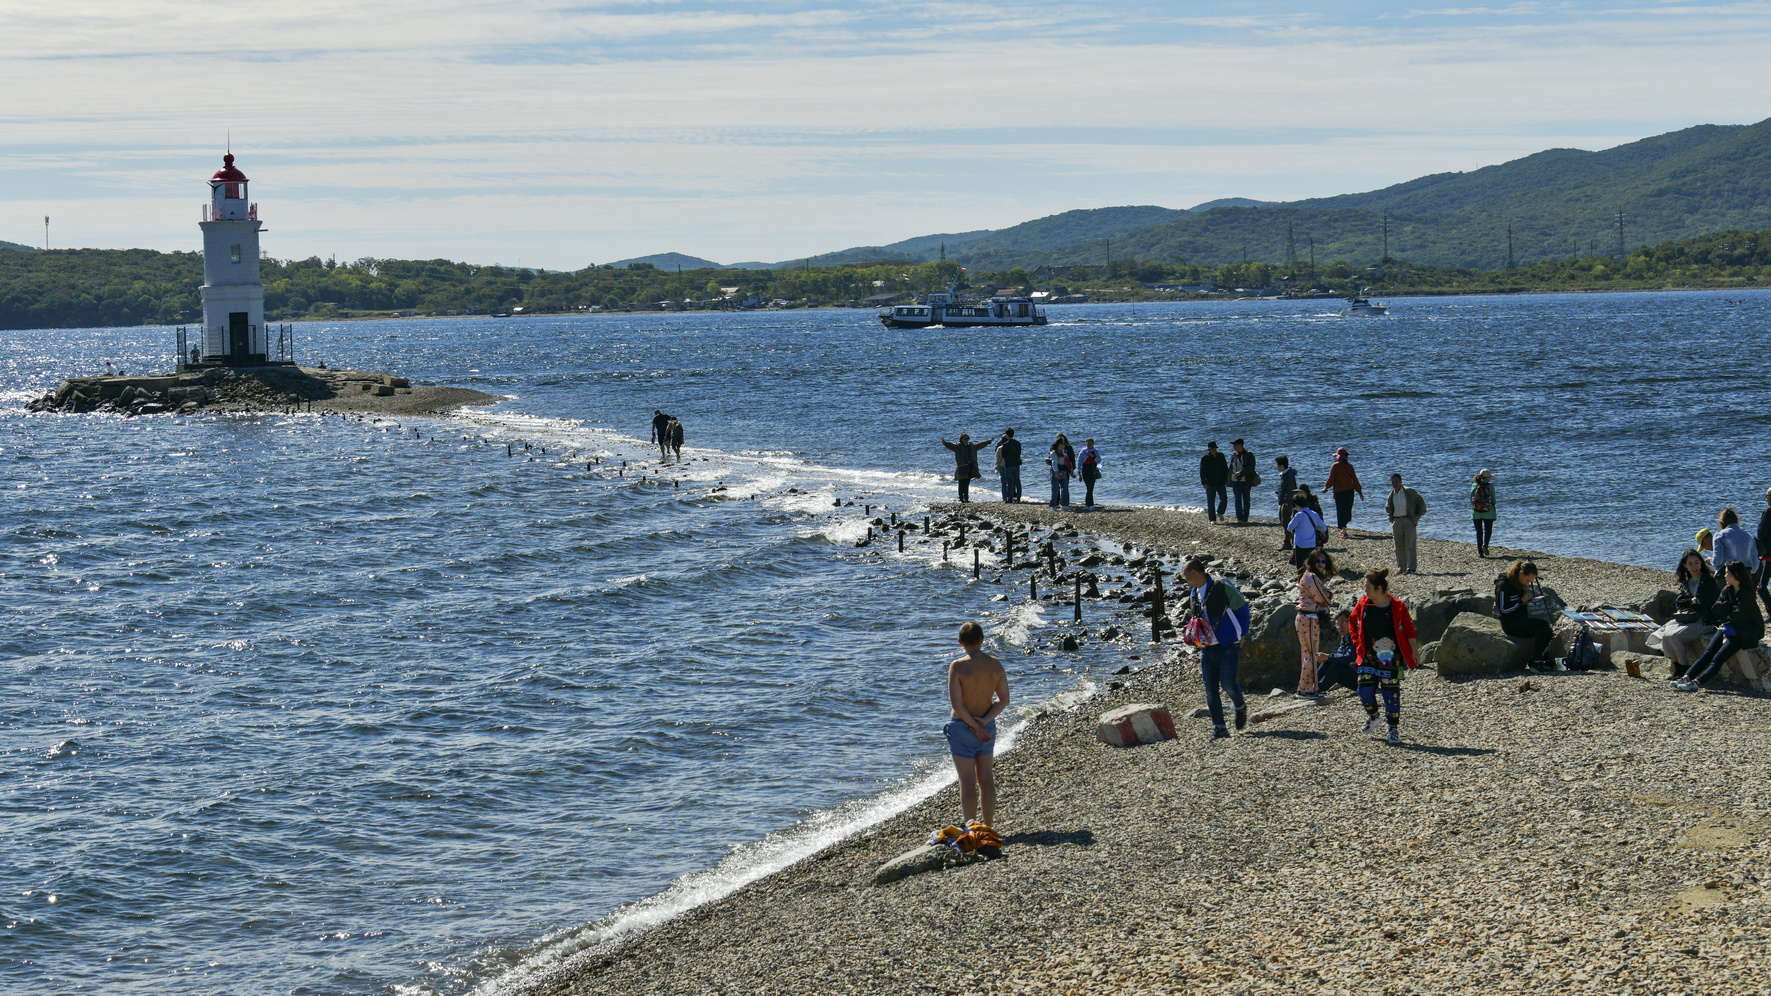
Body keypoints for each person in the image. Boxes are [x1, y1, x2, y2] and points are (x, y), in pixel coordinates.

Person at [1347, 568, 1421, 745]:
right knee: (1363, 690)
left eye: (1368, 587)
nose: (1365, 590)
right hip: (1367, 657)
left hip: (1391, 659)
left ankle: (1393, 729)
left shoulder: (1397, 606)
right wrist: (1357, 643)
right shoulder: (1363, 603)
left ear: (1379, 588)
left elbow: (1409, 629)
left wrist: (1415, 650)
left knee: (1391, 695)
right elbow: (1352, 621)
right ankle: (1373, 716)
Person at [945, 621, 1009, 825]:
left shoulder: (957, 666)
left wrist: (974, 726)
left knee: (967, 781)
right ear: (982, 640)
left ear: (960, 642)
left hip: (962, 728)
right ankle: (988, 826)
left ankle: (971, 826)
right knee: (986, 778)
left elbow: (957, 703)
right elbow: (1004, 699)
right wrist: (984, 723)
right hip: (986, 726)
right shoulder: (995, 664)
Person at [1182, 557, 1251, 740]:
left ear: (1195, 573)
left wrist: (1243, 633)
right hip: (1206, 648)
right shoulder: (1193, 593)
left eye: (1186, 576)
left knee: (1228, 684)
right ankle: (1220, 728)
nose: (1185, 579)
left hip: (1228, 645)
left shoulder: (1222, 587)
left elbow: (1242, 609)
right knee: (1210, 689)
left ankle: (1240, 706)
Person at [1673, 561, 1766, 693]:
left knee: (1718, 658)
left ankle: (1696, 683)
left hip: (1745, 633)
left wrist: (1725, 610)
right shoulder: (1727, 590)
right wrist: (1727, 609)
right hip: (1728, 628)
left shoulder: (1746, 595)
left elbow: (1737, 616)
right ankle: (1686, 677)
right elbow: (1716, 609)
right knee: (1707, 654)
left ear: (1736, 575)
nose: (1725, 575)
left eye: (1728, 573)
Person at [1649, 549, 1721, 676]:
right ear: (1685, 566)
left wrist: (1691, 601)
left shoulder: (1708, 581)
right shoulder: (1687, 583)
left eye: (1696, 563)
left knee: (1676, 636)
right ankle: (1676, 665)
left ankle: (1684, 667)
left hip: (1705, 620)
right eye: (1690, 564)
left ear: (1701, 563)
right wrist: (1691, 600)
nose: (1694, 566)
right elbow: (1679, 603)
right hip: (1689, 617)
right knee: (1665, 635)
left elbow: (1702, 603)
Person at [1294, 549, 1337, 700]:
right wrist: (1328, 599)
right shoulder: (1311, 577)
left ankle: (1310, 687)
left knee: (1309, 653)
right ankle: (1306, 689)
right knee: (1310, 654)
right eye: (1318, 561)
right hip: (1308, 618)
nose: (1321, 564)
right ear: (1312, 562)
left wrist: (1327, 595)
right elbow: (1323, 597)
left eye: (1323, 561)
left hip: (1308, 618)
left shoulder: (1310, 577)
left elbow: (1324, 593)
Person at [1495, 559, 1553, 666]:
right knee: (1542, 626)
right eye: (1527, 580)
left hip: (1520, 619)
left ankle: (1537, 658)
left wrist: (1527, 601)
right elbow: (1503, 610)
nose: (1528, 583)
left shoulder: (1518, 583)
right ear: (1521, 573)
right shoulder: (1504, 584)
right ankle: (1537, 662)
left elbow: (1517, 603)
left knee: (1548, 631)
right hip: (1510, 623)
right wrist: (1521, 601)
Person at [1386, 473, 1427, 575]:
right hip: (1397, 521)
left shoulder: (1409, 492)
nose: (1395, 484)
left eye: (1396, 481)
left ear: (1401, 481)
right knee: (1398, 546)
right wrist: (1392, 520)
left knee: (1410, 546)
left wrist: (1416, 517)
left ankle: (1411, 568)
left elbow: (1421, 503)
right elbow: (1388, 507)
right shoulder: (1392, 494)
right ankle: (1401, 568)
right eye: (1393, 482)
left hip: (1409, 521)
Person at [1314, 609, 1359, 695]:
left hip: (1365, 680)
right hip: (1354, 676)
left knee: (1335, 666)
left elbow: (1350, 658)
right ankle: (1311, 684)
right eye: (1337, 624)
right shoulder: (1345, 638)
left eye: (1343, 623)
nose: (1339, 627)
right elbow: (1339, 655)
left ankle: (1319, 688)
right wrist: (1326, 658)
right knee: (1329, 661)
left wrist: (1328, 656)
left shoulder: (1357, 637)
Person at [941, 432, 994, 504]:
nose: (967, 440)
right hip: (962, 466)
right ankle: (961, 498)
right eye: (965, 439)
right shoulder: (958, 447)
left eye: (968, 438)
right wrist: (945, 443)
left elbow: (980, 445)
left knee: (967, 483)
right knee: (961, 482)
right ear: (961, 439)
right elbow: (951, 446)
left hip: (970, 466)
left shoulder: (971, 446)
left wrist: (989, 441)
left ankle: (966, 498)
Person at [1323, 446, 1363, 539]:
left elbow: (1331, 480)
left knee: (1341, 511)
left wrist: (1326, 488)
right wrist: (1359, 491)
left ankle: (1344, 531)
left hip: (1339, 492)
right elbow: (1355, 480)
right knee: (1347, 511)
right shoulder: (1350, 467)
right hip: (1350, 492)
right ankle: (1344, 528)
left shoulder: (1335, 466)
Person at [1286, 490, 1328, 568]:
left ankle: (1301, 579)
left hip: (1300, 544)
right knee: (1311, 567)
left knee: (1300, 567)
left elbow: (1289, 527)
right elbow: (1323, 527)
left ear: (1296, 505)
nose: (1295, 509)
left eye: (1294, 507)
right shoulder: (1314, 514)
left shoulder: (1299, 515)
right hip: (1311, 544)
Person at [1714, 507, 1757, 579]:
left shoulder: (1719, 535)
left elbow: (1718, 561)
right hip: (1745, 574)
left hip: (1726, 574)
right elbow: (1755, 564)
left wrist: (1711, 560)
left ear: (1721, 522)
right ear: (1737, 520)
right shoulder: (1749, 536)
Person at [1229, 438, 1258, 524]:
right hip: (1235, 481)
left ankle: (1245, 518)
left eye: (1235, 444)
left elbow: (1251, 468)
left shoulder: (1249, 454)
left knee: (1246, 499)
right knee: (1237, 499)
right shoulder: (1233, 455)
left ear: (1240, 445)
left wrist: (1241, 472)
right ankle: (1239, 518)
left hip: (1246, 481)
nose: (1234, 446)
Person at [1199, 442, 1229, 523]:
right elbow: (1202, 471)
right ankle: (1212, 519)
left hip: (1221, 482)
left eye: (1214, 448)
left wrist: (1227, 479)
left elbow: (1225, 468)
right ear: (1209, 449)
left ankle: (1220, 512)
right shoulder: (1205, 458)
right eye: (1212, 448)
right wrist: (1204, 482)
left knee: (1224, 499)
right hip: (1210, 483)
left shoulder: (1221, 456)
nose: (1213, 450)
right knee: (1211, 502)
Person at [1470, 469, 1497, 558]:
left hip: (1476, 513)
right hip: (1489, 512)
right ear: (1488, 478)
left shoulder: (1475, 485)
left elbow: (1471, 499)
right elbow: (1494, 500)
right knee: (1488, 530)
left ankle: (1480, 553)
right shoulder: (1490, 486)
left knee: (1479, 532)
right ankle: (1485, 545)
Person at [1275, 456, 1298, 550]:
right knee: (1284, 522)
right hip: (1284, 501)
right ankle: (1289, 542)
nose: (1276, 467)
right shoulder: (1285, 474)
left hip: (1286, 502)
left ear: (1282, 465)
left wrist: (1287, 501)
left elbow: (1291, 490)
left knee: (1286, 522)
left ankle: (1288, 543)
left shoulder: (1288, 475)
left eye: (1277, 465)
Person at [1047, 433, 1074, 509]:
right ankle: (1053, 505)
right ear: (1059, 444)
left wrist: (1071, 470)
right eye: (1063, 444)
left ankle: (1065, 505)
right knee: (1055, 490)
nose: (1064, 445)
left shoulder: (1063, 452)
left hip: (1064, 472)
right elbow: (1054, 463)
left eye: (1065, 444)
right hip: (1056, 472)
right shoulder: (1054, 453)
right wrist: (1056, 472)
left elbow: (1068, 462)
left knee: (1065, 489)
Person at [995, 429, 1022, 504]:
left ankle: (1010, 497)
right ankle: (1018, 496)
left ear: (1007, 435)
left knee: (1010, 481)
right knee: (1017, 480)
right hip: (1016, 464)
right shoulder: (1018, 443)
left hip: (1009, 464)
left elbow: (1003, 455)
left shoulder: (1005, 445)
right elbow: (1019, 453)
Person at [1078, 438, 1103, 510]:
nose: (1089, 445)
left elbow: (1099, 460)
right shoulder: (1083, 452)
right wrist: (1079, 473)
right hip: (1085, 470)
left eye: (1091, 444)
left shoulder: (1095, 451)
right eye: (1088, 444)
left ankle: (1088, 504)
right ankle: (1090, 504)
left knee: (1091, 487)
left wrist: (1092, 456)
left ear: (1093, 444)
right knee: (1088, 487)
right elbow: (1079, 462)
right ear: (1086, 444)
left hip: (1093, 470)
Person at [1757, 487, 1771, 615]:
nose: (1766, 499)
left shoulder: (1768, 512)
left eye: (1767, 496)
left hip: (1768, 555)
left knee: (1761, 586)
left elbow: (1762, 532)